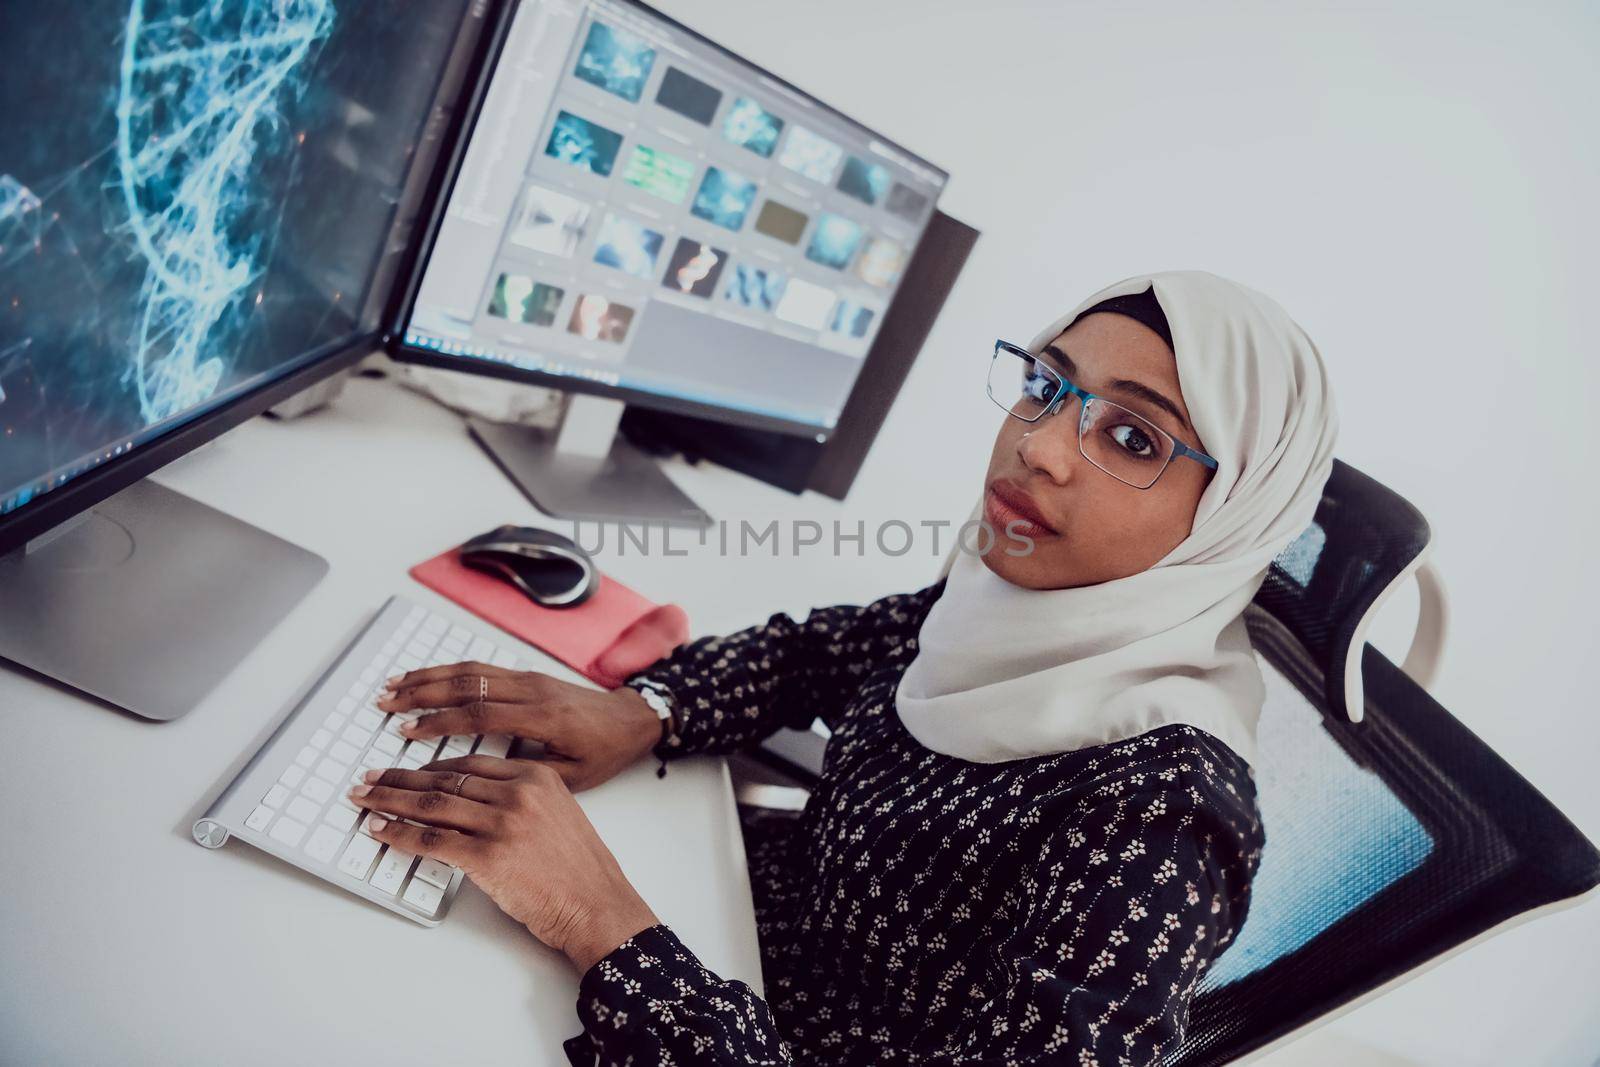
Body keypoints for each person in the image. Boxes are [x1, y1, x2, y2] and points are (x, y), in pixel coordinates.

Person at [354, 270, 1340, 1065]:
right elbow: (815, 652)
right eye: (1046, 386)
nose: (1039, 447)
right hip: (727, 930)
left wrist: (600, 921)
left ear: (1230, 515)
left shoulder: (1167, 820)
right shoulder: (1011, 605)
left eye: (1130, 435)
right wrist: (648, 710)